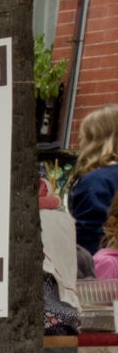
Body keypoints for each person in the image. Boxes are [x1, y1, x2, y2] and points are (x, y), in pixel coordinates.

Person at [69, 106, 118, 256]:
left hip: (100, 271)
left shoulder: (95, 181)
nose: (79, 145)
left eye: (81, 138)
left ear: (95, 141)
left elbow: (88, 238)